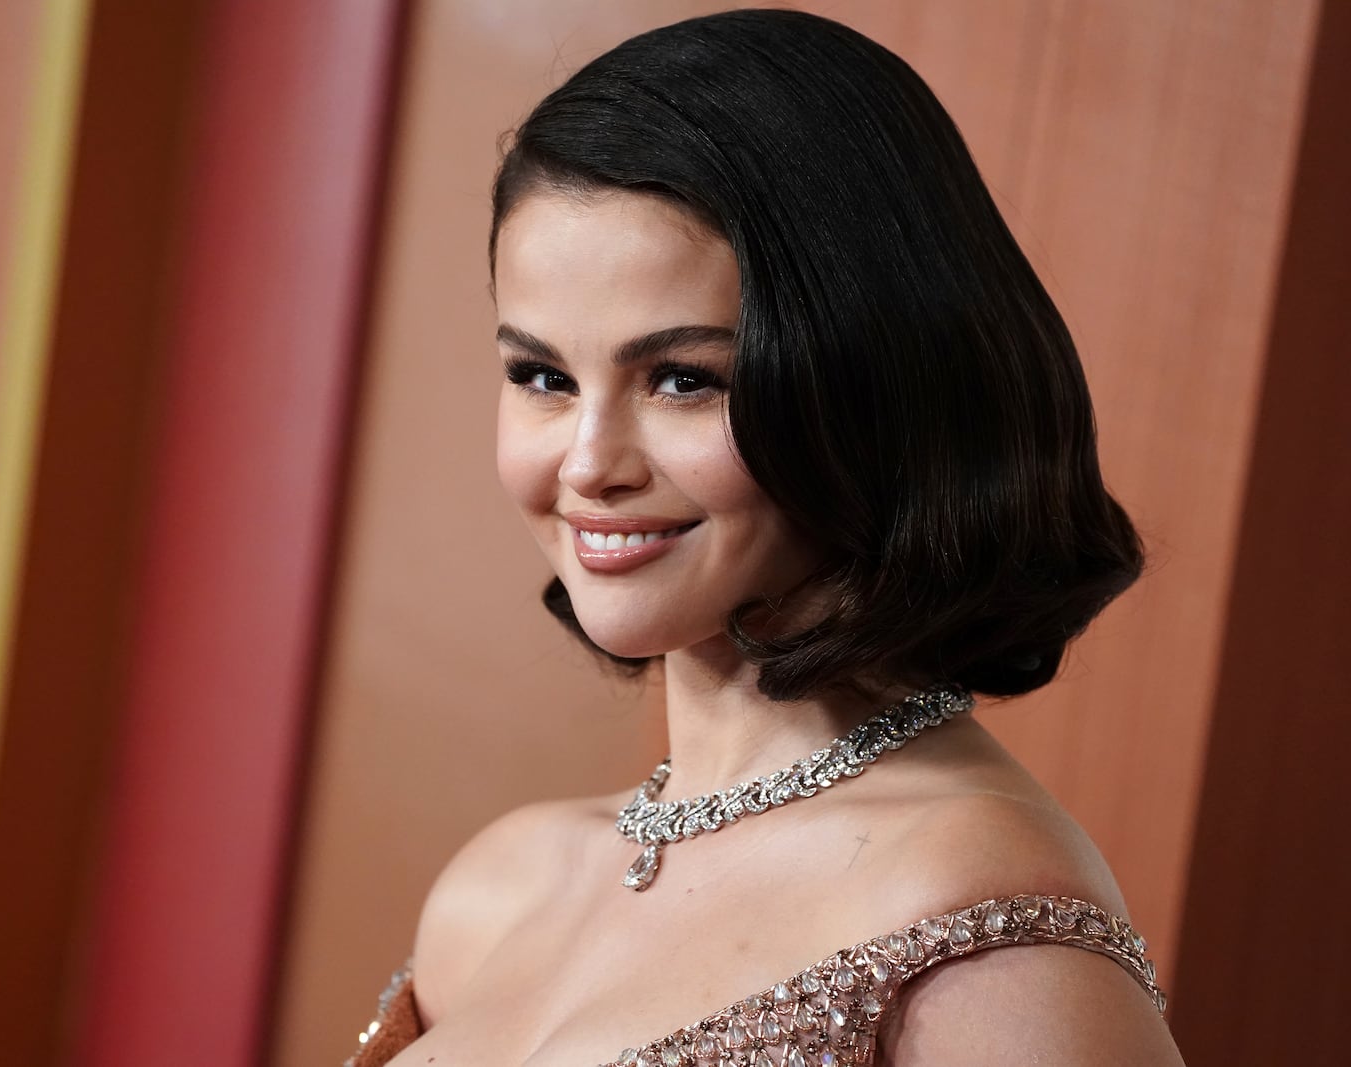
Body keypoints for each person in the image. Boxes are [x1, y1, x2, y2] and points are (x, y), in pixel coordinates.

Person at [350, 10, 1185, 1066]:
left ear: (872, 390)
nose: (586, 463)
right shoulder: (497, 888)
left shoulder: (987, 935)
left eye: (684, 378)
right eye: (544, 376)